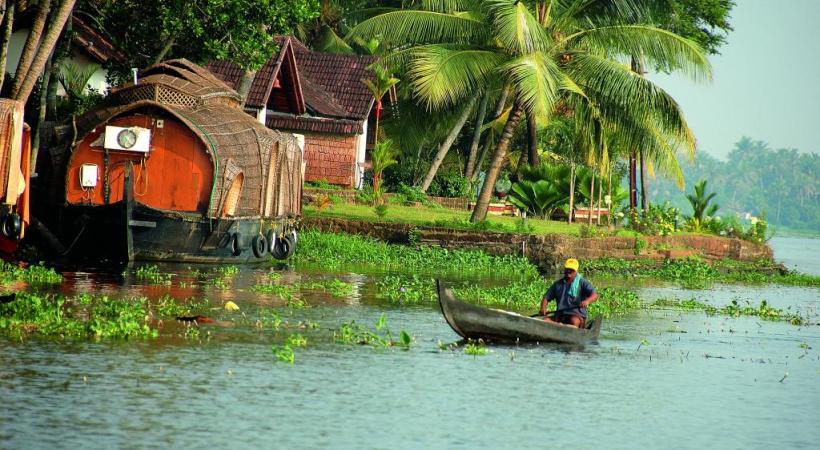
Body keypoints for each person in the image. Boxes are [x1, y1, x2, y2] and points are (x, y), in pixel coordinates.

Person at [540, 258, 598, 328]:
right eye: (567, 269)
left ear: (576, 271)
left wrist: (587, 301)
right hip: (561, 315)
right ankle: (560, 326)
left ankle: (566, 329)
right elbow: (546, 297)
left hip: (576, 315)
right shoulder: (557, 284)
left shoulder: (582, 283)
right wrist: (543, 308)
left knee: (574, 321)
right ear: (564, 269)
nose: (569, 271)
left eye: (572, 269)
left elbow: (594, 295)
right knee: (545, 320)